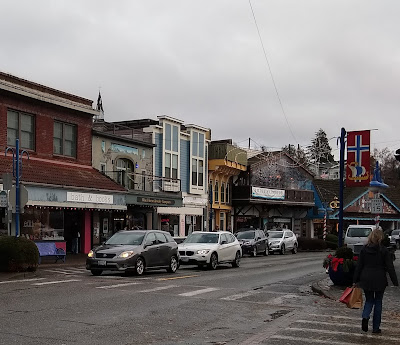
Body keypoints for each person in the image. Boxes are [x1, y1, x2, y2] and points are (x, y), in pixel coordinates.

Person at [353, 228, 398, 334]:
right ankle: (376, 328)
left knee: (369, 300)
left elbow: (359, 266)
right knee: (378, 302)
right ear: (380, 238)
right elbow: (390, 267)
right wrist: (395, 281)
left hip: (366, 278)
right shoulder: (384, 250)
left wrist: (355, 280)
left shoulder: (364, 250)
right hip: (379, 279)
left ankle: (365, 316)